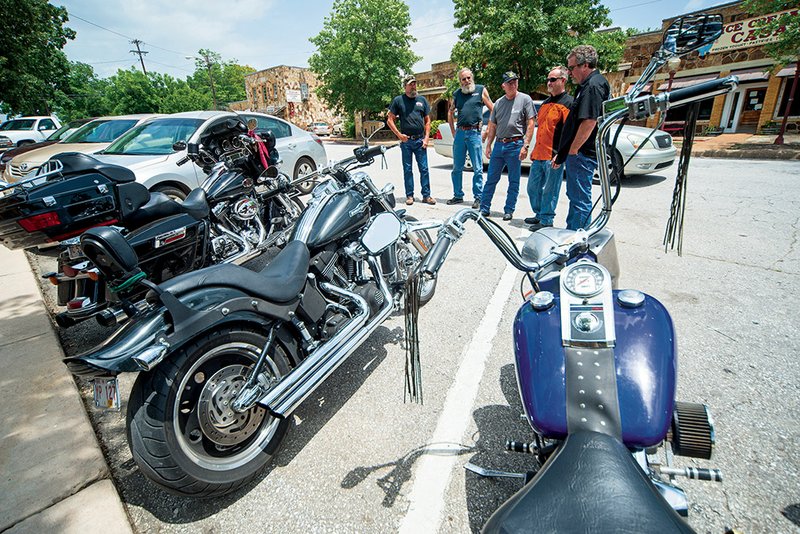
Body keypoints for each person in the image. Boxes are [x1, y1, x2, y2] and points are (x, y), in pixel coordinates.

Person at [554, 45, 610, 230]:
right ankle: (573, 233)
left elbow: (589, 121)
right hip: (580, 154)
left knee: (579, 200)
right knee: (576, 197)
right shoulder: (586, 86)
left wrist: (573, 149)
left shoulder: (593, 86)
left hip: (582, 154)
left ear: (585, 65)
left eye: (571, 68)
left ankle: (577, 241)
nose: (569, 73)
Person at [480, 71, 536, 221]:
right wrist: (488, 145)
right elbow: (493, 125)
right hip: (499, 144)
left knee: (514, 180)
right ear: (503, 86)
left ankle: (509, 209)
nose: (513, 85)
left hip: (515, 144)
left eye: (515, 82)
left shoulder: (525, 99)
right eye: (510, 83)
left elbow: (531, 123)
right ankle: (484, 207)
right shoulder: (498, 103)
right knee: (491, 178)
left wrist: (526, 145)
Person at [526, 66, 573, 231]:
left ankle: (546, 221)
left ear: (563, 81)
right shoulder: (545, 103)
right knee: (532, 188)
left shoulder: (569, 103)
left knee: (550, 191)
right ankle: (539, 215)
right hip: (538, 155)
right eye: (548, 79)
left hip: (553, 156)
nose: (549, 83)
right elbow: (542, 130)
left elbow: (569, 132)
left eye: (553, 79)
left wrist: (561, 154)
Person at [447, 68, 494, 209]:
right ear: (460, 81)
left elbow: (493, 110)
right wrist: (453, 131)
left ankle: (478, 197)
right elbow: (450, 112)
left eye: (468, 78)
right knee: (457, 168)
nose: (467, 81)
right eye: (463, 79)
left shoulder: (480, 90)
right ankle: (458, 195)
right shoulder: (457, 94)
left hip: (474, 133)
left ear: (472, 77)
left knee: (478, 168)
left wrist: (486, 130)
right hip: (460, 133)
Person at [387, 75, 435, 206]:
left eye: (414, 83)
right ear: (405, 86)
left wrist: (426, 138)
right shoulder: (398, 100)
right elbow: (390, 119)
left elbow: (427, 120)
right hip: (406, 142)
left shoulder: (422, 100)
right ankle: (410, 195)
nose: (413, 86)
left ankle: (426, 195)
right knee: (408, 169)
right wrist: (399, 135)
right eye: (410, 84)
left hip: (420, 141)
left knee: (424, 169)